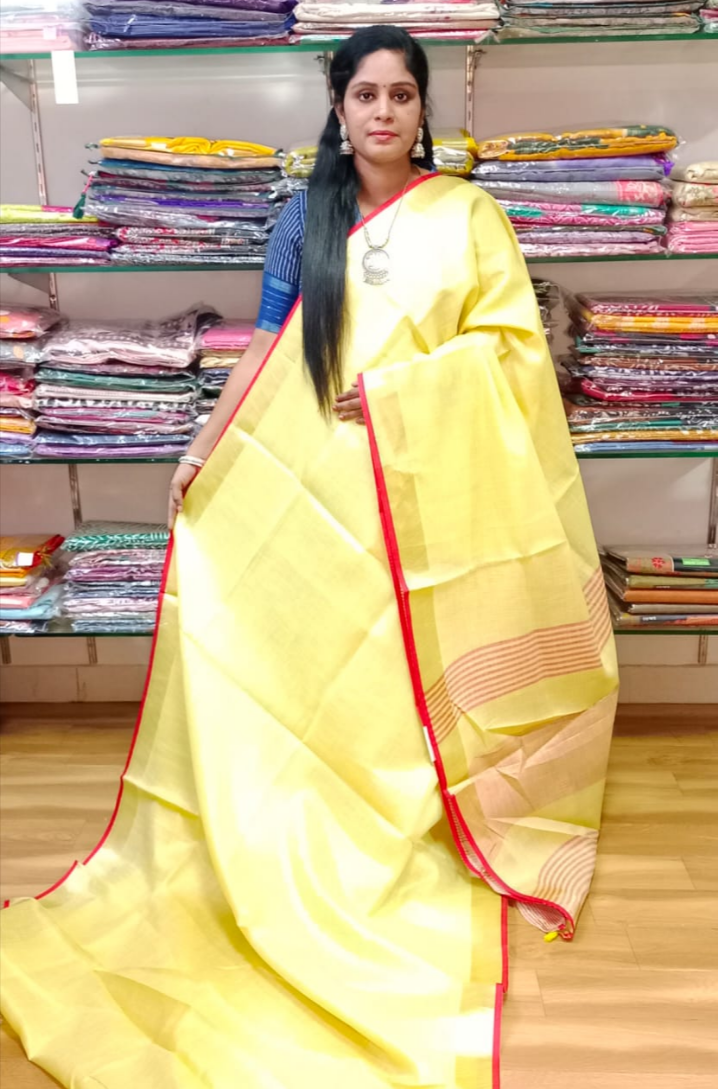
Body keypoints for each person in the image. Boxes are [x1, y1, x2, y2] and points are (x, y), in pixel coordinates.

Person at [1, 27, 618, 1089]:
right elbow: (267, 341)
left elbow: (511, 350)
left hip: (422, 484)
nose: (383, 112)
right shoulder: (305, 217)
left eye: (401, 95)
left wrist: (399, 392)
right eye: (365, 95)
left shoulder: (467, 216)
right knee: (312, 666)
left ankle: (402, 818)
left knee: (396, 667)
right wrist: (199, 450)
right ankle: (306, 820)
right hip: (313, 481)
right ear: (338, 109)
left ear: (423, 111)